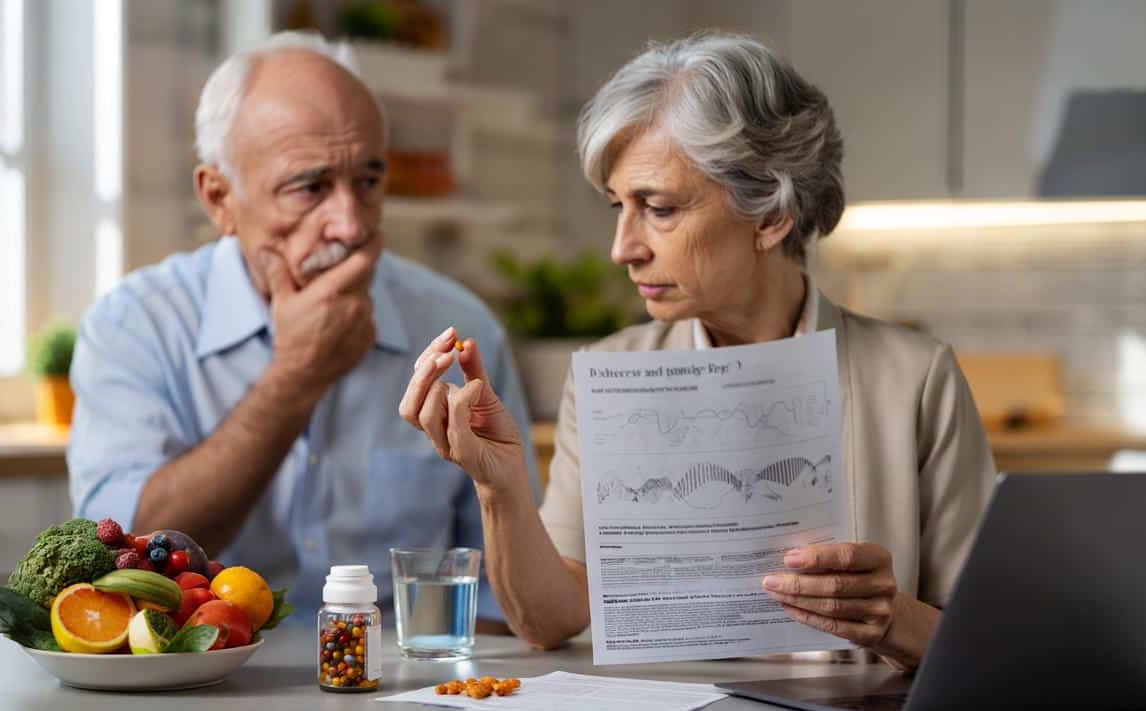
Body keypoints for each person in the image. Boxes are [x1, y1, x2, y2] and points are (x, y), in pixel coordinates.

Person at [399, 32, 995, 670]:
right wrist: (499, 485)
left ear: (770, 213)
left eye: (657, 208)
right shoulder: (612, 374)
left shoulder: (914, 380)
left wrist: (890, 618)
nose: (623, 247)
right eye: (618, 207)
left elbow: (995, 646)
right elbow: (551, 621)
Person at [68, 32, 535, 620]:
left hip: (404, 684)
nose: (348, 223)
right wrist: (296, 375)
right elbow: (118, 558)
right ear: (219, 199)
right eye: (309, 187)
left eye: (367, 182)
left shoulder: (461, 331)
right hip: (208, 684)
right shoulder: (134, 326)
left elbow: (506, 590)